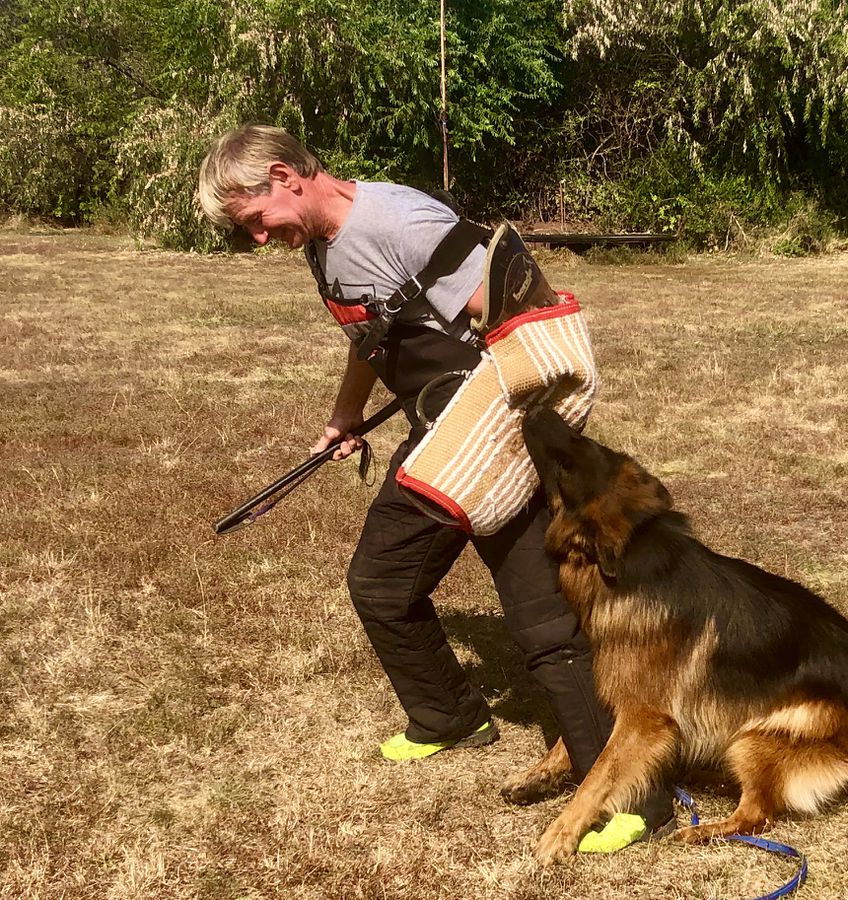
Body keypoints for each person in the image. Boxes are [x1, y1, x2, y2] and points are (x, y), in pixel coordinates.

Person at [197, 125, 673, 852]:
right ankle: (448, 715)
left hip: (490, 434)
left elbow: (523, 316)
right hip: (435, 434)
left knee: (544, 625)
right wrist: (346, 413)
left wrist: (513, 443)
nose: (260, 239)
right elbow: (373, 336)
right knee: (386, 585)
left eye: (257, 220)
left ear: (286, 176)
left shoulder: (399, 222)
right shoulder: (324, 244)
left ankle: (634, 796)